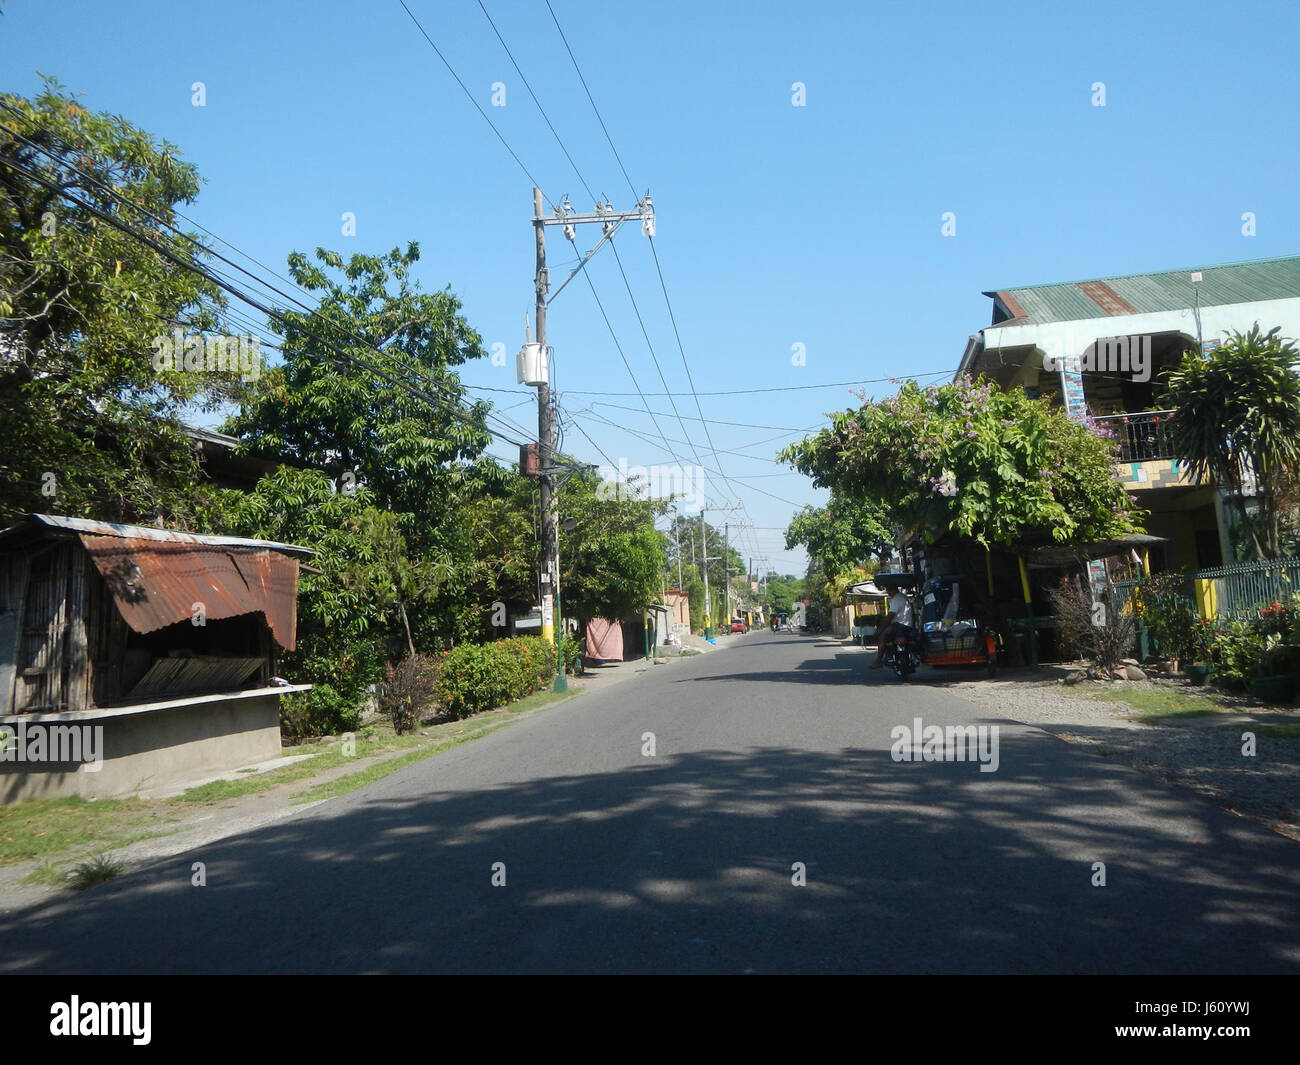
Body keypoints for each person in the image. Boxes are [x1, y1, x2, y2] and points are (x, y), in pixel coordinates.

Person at [872, 588, 916, 668]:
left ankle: (878, 660)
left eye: (888, 590)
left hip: (899, 626)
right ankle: (889, 654)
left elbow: (890, 616)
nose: (888, 592)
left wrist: (880, 630)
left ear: (892, 590)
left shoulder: (896, 599)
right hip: (908, 626)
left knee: (882, 636)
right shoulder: (903, 597)